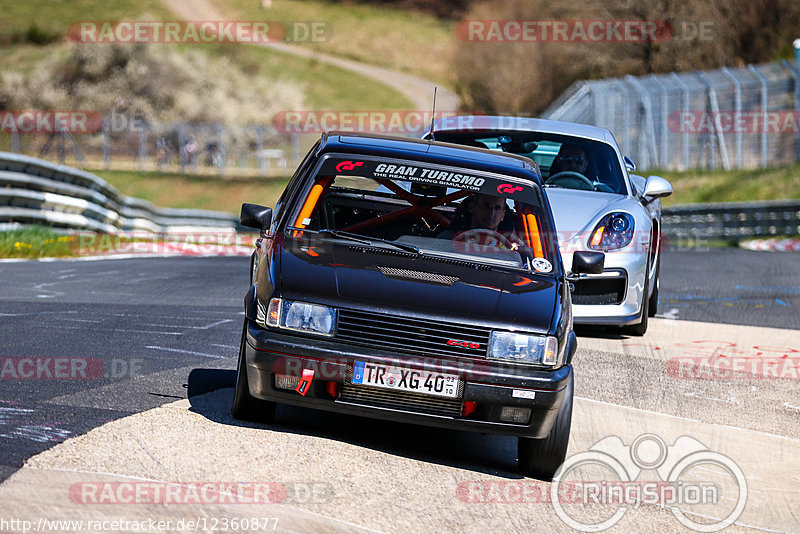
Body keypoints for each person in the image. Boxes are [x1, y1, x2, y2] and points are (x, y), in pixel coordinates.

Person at [438, 193, 518, 249]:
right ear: (472, 207)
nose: (491, 213)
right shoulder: (447, 240)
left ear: (503, 215)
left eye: (497, 208)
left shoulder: (507, 250)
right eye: (486, 206)